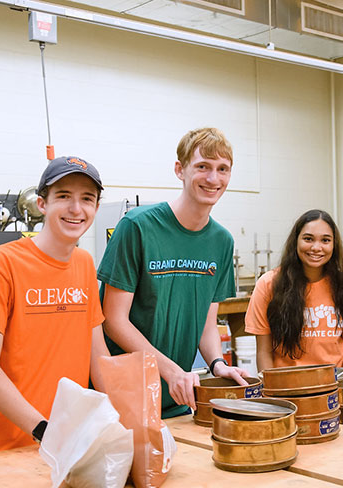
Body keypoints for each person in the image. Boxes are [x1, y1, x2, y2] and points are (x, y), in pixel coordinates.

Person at [0, 156, 109, 457]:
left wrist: (124, 418)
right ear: (42, 203)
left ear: (95, 207)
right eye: (64, 196)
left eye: (87, 199)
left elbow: (99, 357)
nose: (76, 209)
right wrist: (44, 429)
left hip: (61, 445)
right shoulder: (1, 263)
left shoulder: (84, 264)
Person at [98, 128, 248, 419]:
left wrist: (217, 364)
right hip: (123, 400)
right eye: (202, 167)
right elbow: (113, 321)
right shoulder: (138, 227)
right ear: (180, 170)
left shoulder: (221, 241)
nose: (213, 179)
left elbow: (207, 323)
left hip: (177, 401)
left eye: (222, 169)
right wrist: (171, 371)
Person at [245, 209, 343, 371]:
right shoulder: (268, 284)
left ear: (334, 245)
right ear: (296, 241)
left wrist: (342, 389)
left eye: (325, 240)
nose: (316, 247)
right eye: (308, 239)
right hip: (286, 389)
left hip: (333, 389)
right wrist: (272, 392)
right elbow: (264, 352)